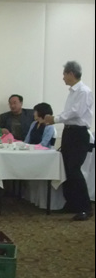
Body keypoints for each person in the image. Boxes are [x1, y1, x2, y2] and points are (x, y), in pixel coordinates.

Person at [44, 61, 94, 221]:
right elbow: (70, 112)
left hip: (78, 134)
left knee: (74, 169)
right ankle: (72, 203)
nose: (63, 78)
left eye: (64, 74)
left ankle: (85, 207)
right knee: (66, 169)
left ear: (71, 73)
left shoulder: (84, 91)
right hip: (69, 132)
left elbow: (76, 113)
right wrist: (58, 119)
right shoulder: (73, 92)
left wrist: (55, 119)